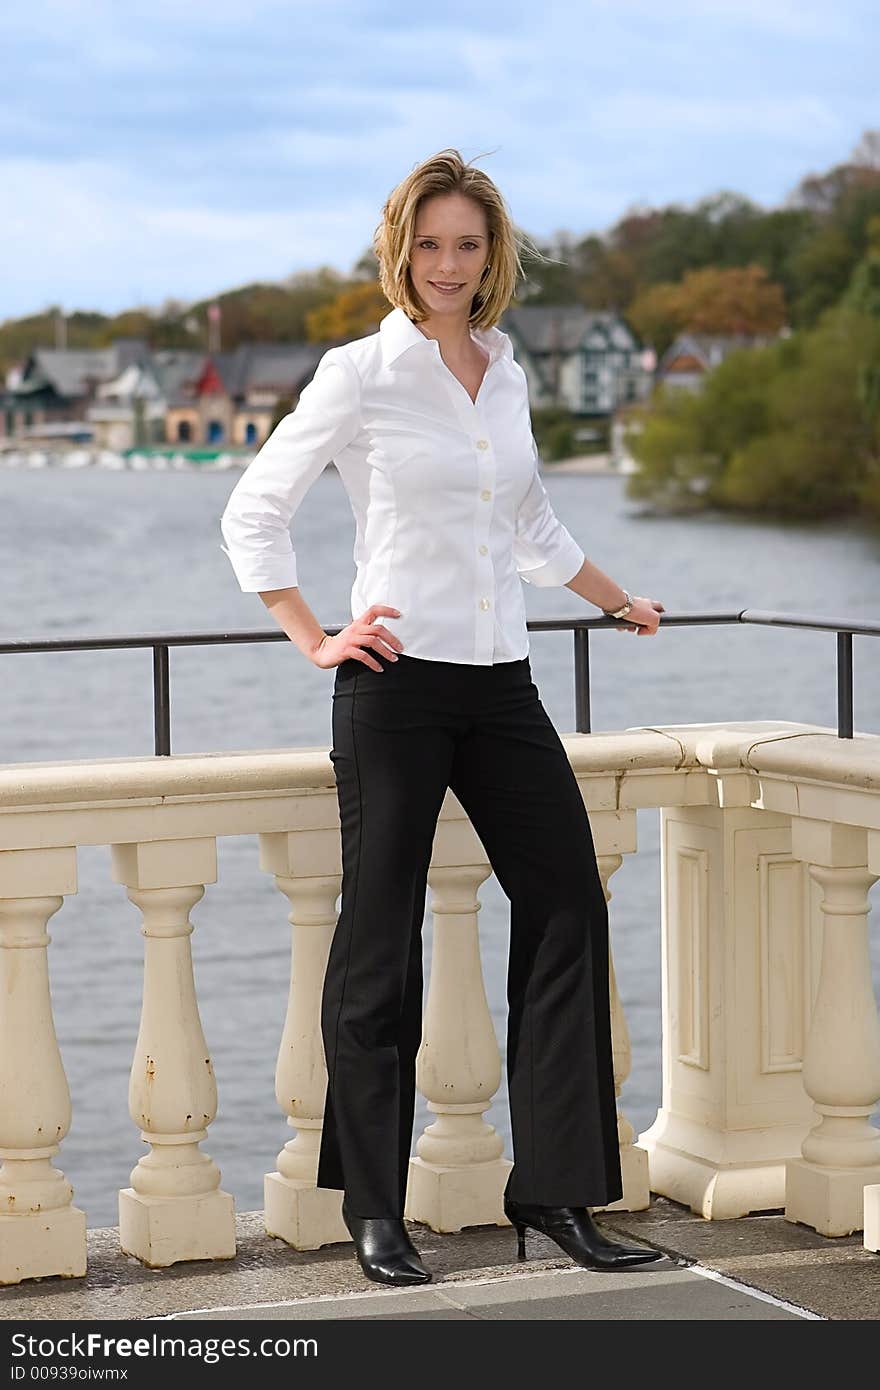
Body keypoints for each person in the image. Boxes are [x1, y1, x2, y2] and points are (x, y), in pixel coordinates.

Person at [219, 148, 665, 1288]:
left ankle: (556, 1193)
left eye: (467, 245)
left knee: (567, 903)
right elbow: (255, 511)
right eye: (429, 245)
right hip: (396, 687)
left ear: (491, 254)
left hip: (501, 682)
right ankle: (377, 1210)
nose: (448, 266)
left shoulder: (508, 373)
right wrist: (316, 635)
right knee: (378, 942)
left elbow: (532, 525)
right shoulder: (359, 373)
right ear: (399, 252)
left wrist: (619, 602)